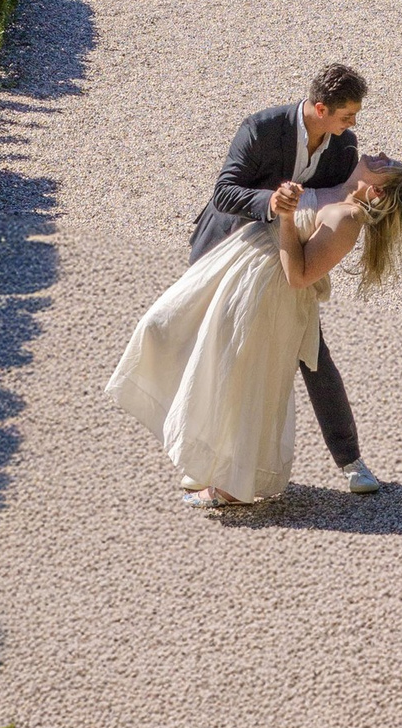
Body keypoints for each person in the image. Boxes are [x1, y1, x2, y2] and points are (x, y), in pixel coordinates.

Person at [109, 143, 402, 508]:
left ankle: (231, 485)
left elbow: (299, 276)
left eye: (386, 164)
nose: (380, 154)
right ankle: (208, 460)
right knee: (167, 331)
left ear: (377, 191)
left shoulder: (347, 217)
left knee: (243, 380)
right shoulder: (336, 174)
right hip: (236, 270)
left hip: (268, 294)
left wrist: (287, 217)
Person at [144, 67, 389, 497]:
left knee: (313, 358)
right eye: (347, 115)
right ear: (320, 109)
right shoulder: (261, 128)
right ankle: (203, 460)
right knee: (193, 342)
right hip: (225, 250)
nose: (353, 125)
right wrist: (271, 202)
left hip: (282, 267)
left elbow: (333, 209)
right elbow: (224, 193)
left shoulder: (344, 148)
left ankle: (351, 461)